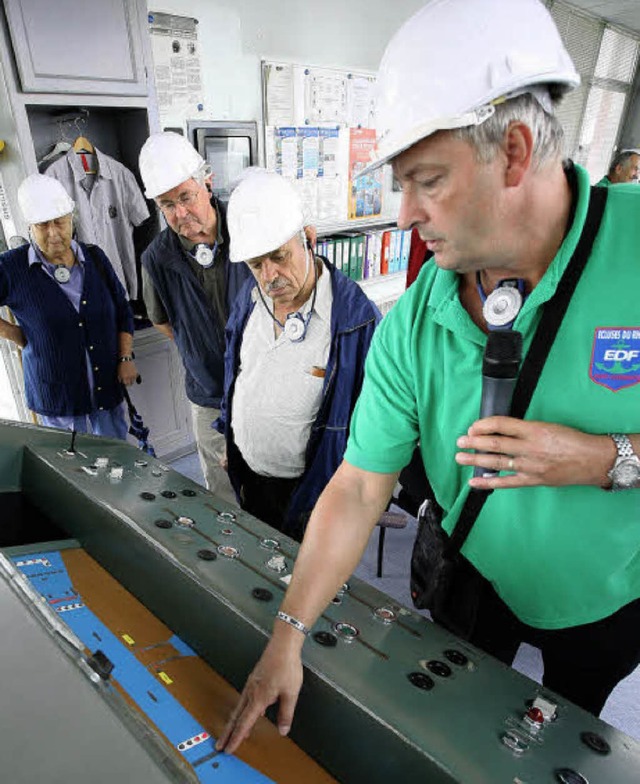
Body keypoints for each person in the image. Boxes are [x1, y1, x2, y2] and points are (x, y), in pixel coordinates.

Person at [217, 0, 640, 753]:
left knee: (570, 744)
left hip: (609, 601)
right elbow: (356, 486)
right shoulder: (416, 319)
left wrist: (605, 458)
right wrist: (289, 635)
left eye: (427, 180)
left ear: (513, 151)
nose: (404, 212)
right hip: (474, 587)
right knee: (460, 739)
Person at [217, 169, 380, 541]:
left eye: (279, 257)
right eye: (256, 265)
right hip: (249, 478)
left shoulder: (356, 321)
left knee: (307, 586)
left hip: (315, 494)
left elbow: (374, 428)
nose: (269, 276)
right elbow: (236, 372)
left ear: (309, 238)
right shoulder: (248, 299)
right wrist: (231, 433)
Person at [138, 132, 250, 501]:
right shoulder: (157, 258)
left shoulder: (247, 226)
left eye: (186, 196)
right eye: (167, 205)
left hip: (260, 385)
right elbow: (161, 320)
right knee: (222, 490)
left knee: (271, 482)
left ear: (207, 181)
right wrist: (196, 343)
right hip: (208, 393)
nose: (180, 213)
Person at [0, 173, 137, 437]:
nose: (53, 234)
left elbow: (122, 310)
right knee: (73, 470)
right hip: (57, 398)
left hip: (106, 388)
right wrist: (15, 334)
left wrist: (126, 356)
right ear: (30, 226)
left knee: (117, 464)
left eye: (60, 223)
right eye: (42, 225)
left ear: (70, 220)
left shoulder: (95, 257)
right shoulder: (11, 267)